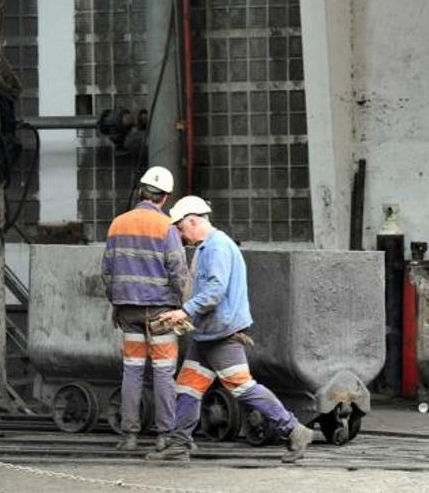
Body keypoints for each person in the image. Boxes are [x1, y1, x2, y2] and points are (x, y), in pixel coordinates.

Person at [145, 195, 314, 463]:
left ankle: (294, 430)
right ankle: (179, 444)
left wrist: (185, 311)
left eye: (180, 228)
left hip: (221, 337)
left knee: (243, 388)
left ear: (193, 221)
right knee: (187, 388)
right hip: (207, 335)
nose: (180, 234)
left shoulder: (216, 248)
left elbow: (215, 291)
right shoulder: (206, 247)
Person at [102, 166, 189, 452]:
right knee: (163, 373)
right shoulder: (166, 228)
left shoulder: (117, 224)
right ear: (165, 197)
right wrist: (182, 305)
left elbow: (107, 271)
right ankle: (164, 436)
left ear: (141, 191)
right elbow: (178, 271)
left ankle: (129, 436)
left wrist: (118, 301)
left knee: (132, 371)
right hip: (162, 312)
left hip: (128, 312)